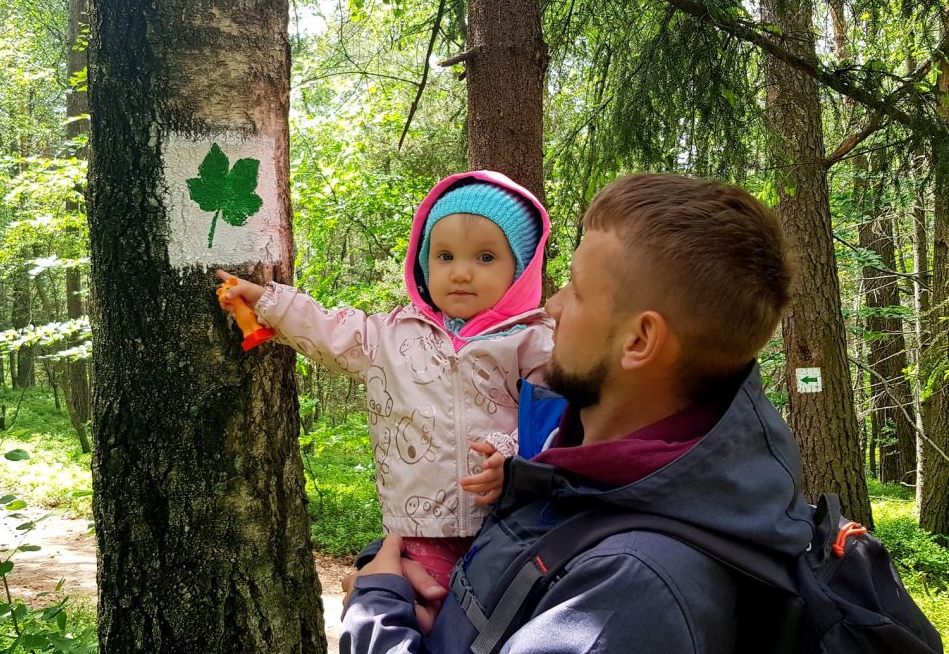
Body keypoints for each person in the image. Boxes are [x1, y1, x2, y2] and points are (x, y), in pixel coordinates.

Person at [340, 173, 815, 652]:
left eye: (578, 290)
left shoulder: (629, 590)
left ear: (639, 340)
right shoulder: (572, 470)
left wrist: (376, 608)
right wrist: (396, 576)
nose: (553, 305)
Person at [217, 170, 553, 591]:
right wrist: (264, 299)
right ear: (423, 260)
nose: (461, 273)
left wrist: (514, 463)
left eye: (485, 258)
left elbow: (556, 422)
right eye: (445, 256)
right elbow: (331, 331)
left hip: (508, 522)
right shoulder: (393, 333)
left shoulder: (533, 342)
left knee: (491, 619)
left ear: (520, 269)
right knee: (423, 608)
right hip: (420, 528)